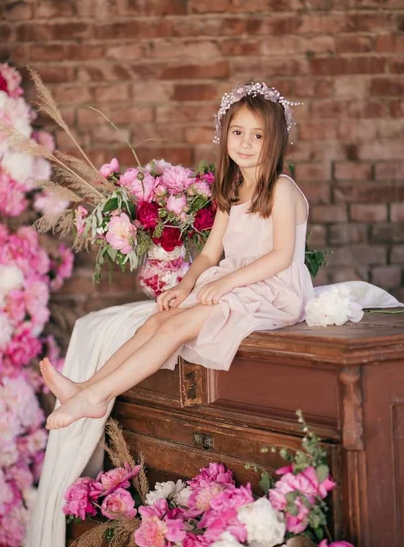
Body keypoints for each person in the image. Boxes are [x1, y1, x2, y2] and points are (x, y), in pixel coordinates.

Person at [40, 81, 314, 430]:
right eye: (238, 132)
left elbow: (280, 256)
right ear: (224, 135)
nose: (246, 143)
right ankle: (87, 388)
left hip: (273, 288)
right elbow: (211, 252)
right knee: (155, 322)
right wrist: (185, 287)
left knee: (178, 327)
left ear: (275, 140)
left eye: (258, 136)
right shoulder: (232, 190)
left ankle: (95, 398)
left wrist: (227, 282)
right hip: (239, 283)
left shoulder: (281, 188)